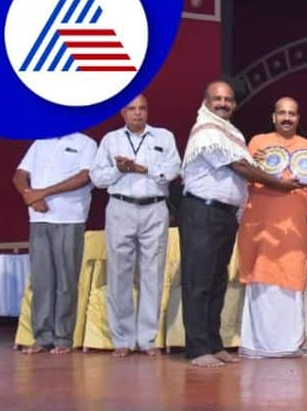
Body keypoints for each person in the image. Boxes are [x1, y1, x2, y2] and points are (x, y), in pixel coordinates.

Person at [179, 80, 300, 367]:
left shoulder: (230, 132)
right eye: (217, 99)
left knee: (216, 281)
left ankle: (212, 342)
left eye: (229, 99)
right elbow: (241, 168)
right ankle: (197, 349)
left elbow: (247, 162)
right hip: (202, 212)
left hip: (223, 214)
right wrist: (279, 184)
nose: (223, 103)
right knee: (199, 282)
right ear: (206, 101)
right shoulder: (206, 131)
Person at [90, 94, 181, 357]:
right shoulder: (111, 139)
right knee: (119, 273)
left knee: (152, 273)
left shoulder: (163, 137)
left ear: (148, 111)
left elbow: (174, 169)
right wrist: (120, 169)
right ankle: (123, 339)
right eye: (132, 109)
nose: (138, 113)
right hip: (120, 207)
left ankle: (147, 339)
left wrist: (144, 169)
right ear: (123, 113)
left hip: (154, 207)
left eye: (142, 108)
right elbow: (97, 178)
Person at [237, 97, 307, 358]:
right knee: (261, 279)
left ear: (298, 118)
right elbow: (245, 173)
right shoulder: (258, 143)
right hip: (261, 227)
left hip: (292, 228)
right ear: (273, 117)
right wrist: (253, 161)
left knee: (290, 279)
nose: (287, 118)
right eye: (282, 113)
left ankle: (290, 344)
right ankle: (258, 345)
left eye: (292, 114)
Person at [13, 132, 97, 354]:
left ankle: (63, 338)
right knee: (42, 280)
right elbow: (19, 174)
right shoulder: (41, 140)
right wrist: (28, 194)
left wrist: (43, 193)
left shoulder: (85, 143)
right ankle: (42, 337)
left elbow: (84, 177)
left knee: (65, 280)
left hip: (69, 218)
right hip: (39, 219)